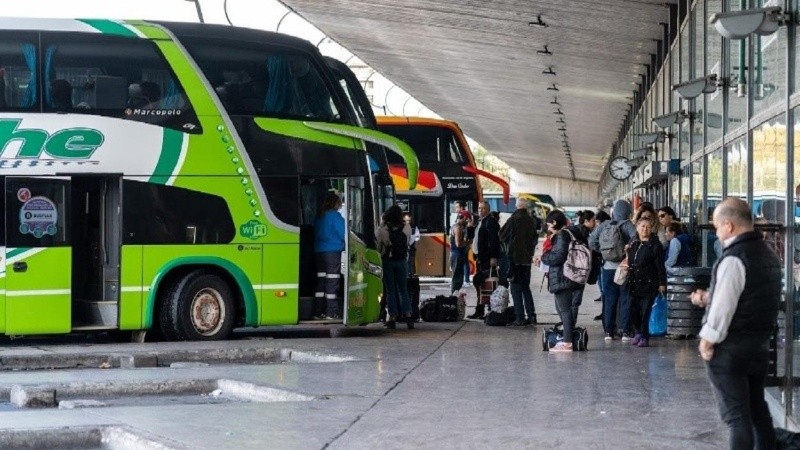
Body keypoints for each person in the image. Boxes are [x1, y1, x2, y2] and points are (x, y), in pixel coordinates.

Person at [690, 198, 781, 449]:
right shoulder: (768, 255)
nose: (717, 233)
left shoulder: (734, 258)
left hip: (730, 349)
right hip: (758, 347)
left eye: (717, 227)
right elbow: (749, 295)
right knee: (758, 411)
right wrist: (708, 297)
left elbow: (723, 309)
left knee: (737, 418)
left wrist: (707, 341)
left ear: (728, 225)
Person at [536, 210, 584, 352]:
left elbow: (559, 256)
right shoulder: (570, 233)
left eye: (549, 223)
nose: (548, 226)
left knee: (565, 309)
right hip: (568, 276)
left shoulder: (563, 235)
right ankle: (567, 338)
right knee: (563, 309)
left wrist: (543, 258)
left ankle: (567, 342)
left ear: (555, 223)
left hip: (563, 276)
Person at [589, 199, 637, 341]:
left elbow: (591, 241)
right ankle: (625, 330)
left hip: (607, 268)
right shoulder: (628, 225)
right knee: (625, 298)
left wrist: (604, 252)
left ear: (614, 212)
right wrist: (626, 252)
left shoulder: (604, 225)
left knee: (609, 299)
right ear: (628, 212)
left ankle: (609, 331)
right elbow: (636, 240)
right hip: (624, 268)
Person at [622, 216, 666, 348]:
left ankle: (644, 336)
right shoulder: (634, 243)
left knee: (646, 311)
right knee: (631, 309)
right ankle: (638, 332)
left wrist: (662, 283)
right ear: (637, 228)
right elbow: (629, 261)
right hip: (633, 282)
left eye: (648, 227)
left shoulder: (655, 245)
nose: (645, 229)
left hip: (649, 283)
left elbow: (660, 265)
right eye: (642, 226)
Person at [499, 197, 537, 326]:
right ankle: (531, 316)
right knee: (526, 288)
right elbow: (534, 239)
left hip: (514, 259)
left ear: (516, 206)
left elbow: (501, 234)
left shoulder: (513, 219)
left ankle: (519, 317)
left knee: (515, 289)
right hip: (526, 260)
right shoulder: (531, 220)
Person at [377, 205, 414, 329]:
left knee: (390, 289)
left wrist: (382, 222)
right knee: (403, 289)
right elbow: (409, 242)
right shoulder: (407, 227)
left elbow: (378, 245)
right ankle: (408, 316)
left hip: (388, 261)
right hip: (402, 261)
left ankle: (392, 318)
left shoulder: (383, 229)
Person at [313, 192, 345, 320]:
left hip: (318, 252)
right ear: (336, 203)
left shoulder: (319, 217)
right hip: (332, 253)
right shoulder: (335, 217)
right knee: (332, 281)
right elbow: (344, 234)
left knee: (321, 281)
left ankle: (318, 311)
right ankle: (331, 313)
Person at [469, 201, 500, 319]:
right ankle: (480, 309)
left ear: (488, 210)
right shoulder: (479, 222)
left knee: (488, 284)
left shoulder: (491, 222)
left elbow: (494, 241)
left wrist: (493, 257)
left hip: (487, 258)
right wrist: (470, 227)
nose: (480, 211)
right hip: (479, 258)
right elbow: (473, 238)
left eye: (483, 209)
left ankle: (490, 309)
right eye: (479, 208)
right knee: (480, 284)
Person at [449, 210, 471, 293]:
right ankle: (454, 296)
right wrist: (468, 242)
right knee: (457, 278)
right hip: (457, 255)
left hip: (456, 254)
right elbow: (458, 244)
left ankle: (455, 295)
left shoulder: (455, 226)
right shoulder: (458, 227)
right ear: (465, 218)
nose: (468, 222)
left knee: (458, 277)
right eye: (468, 219)